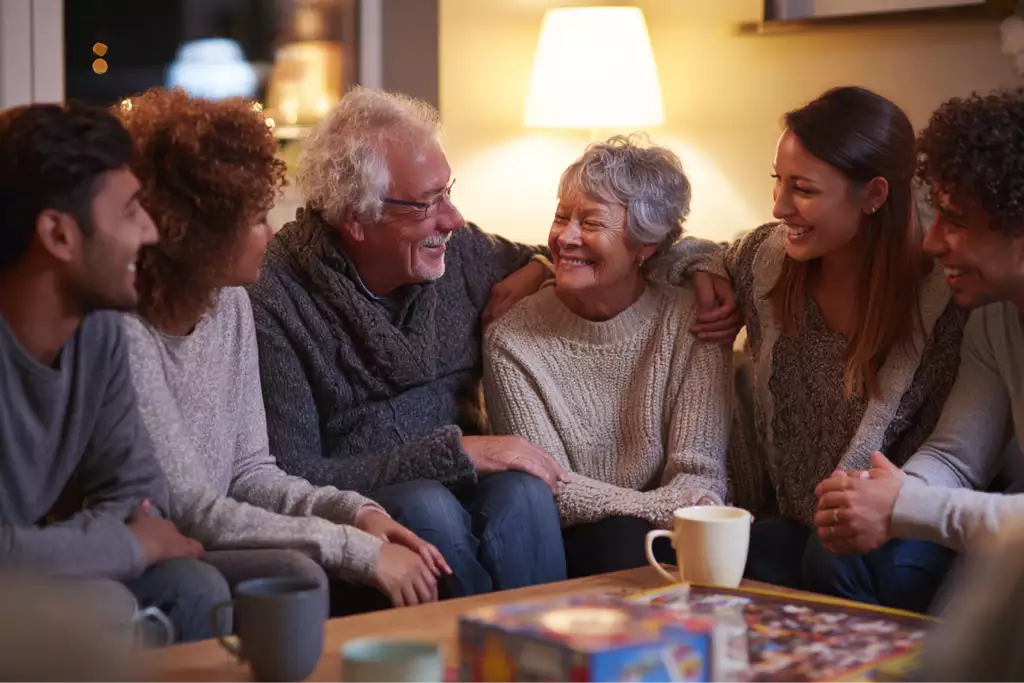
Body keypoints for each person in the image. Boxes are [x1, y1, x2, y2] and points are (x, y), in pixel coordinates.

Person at [116, 88, 448, 613]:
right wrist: (355, 549)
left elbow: (252, 472)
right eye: (255, 220)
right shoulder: (125, 333)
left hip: (203, 537)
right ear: (197, 233)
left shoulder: (230, 307)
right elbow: (194, 510)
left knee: (309, 569)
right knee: (295, 572)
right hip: (149, 549)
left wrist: (357, 513)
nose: (271, 235)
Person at [247, 87, 571, 596]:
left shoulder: (460, 253)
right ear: (356, 217)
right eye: (427, 203)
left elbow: (566, 256)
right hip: (367, 507)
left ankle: (548, 654)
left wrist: (537, 267)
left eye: (449, 191)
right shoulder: (277, 297)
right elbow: (293, 470)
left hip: (468, 481)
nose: (453, 219)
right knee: (427, 505)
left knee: (526, 493)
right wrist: (454, 453)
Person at [664, 86, 963, 612]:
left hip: (906, 527)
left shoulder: (944, 292)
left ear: (873, 195)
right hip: (801, 524)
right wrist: (704, 269)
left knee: (832, 560)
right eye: (777, 181)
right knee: (719, 556)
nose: (779, 206)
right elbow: (683, 249)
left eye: (801, 189)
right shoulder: (767, 260)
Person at [0, 102, 230, 642]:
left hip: (36, 568)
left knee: (193, 586)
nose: (150, 232)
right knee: (102, 605)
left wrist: (111, 536)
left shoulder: (97, 332)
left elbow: (141, 493)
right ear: (59, 236)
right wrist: (131, 543)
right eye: (130, 212)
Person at [483, 135, 731, 578]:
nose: (566, 238)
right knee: (619, 540)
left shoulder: (693, 321)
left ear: (646, 246)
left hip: (678, 535)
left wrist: (664, 510)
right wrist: (651, 506)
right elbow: (548, 486)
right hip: (581, 537)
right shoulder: (512, 339)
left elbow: (701, 477)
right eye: (562, 217)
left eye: (591, 223)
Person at [813, 88, 1024, 561]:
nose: (930, 243)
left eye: (955, 221)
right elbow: (956, 457)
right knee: (834, 550)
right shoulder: (993, 320)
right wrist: (877, 493)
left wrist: (906, 504)